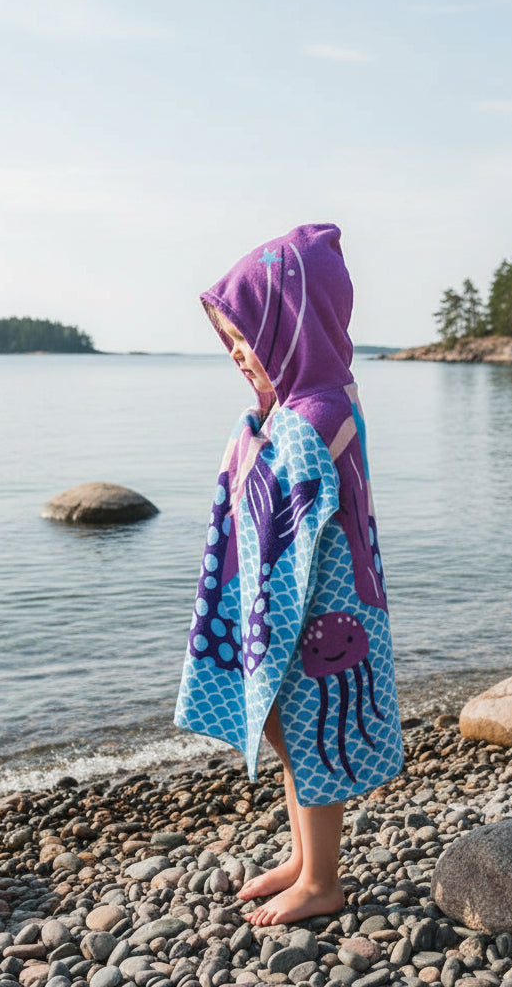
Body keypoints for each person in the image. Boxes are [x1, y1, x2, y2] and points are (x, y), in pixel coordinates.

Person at [175, 223, 403, 926]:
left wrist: (255, 445)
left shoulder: (316, 414)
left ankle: (324, 880)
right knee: (282, 727)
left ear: (295, 330)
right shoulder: (306, 403)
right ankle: (304, 859)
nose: (240, 355)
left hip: (318, 610)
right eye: (231, 342)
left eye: (250, 338)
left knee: (310, 735)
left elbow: (289, 506)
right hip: (302, 604)